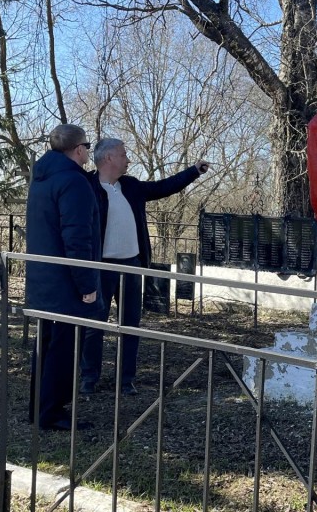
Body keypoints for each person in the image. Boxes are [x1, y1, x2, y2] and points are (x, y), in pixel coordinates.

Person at [80, 138, 209, 395]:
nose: (128, 159)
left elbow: (164, 187)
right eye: (124, 154)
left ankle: (125, 380)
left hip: (132, 267)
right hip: (101, 267)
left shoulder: (131, 186)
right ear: (108, 159)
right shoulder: (86, 187)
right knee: (94, 325)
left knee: (130, 325)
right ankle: (89, 378)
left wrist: (194, 171)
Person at [25, 124, 101, 431]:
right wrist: (87, 285)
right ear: (79, 150)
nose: (87, 154)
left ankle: (39, 408)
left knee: (46, 345)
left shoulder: (41, 179)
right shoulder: (73, 182)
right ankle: (51, 413)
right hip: (67, 283)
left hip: (44, 277)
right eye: (87, 147)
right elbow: (77, 238)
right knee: (63, 349)